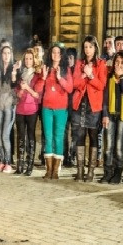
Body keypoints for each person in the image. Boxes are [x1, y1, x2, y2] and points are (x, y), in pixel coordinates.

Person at [70, 36, 107, 182]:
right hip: (80, 104)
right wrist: (84, 74)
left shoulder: (101, 64)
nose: (87, 50)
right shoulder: (79, 63)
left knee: (93, 136)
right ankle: (79, 171)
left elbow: (101, 85)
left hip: (93, 106)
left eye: (90, 47)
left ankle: (90, 171)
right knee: (79, 136)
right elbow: (74, 83)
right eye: (85, 47)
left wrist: (90, 75)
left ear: (95, 48)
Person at [41, 43, 74, 180]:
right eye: (53, 52)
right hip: (47, 108)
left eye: (58, 53)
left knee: (58, 137)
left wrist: (60, 78)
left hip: (61, 108)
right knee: (48, 137)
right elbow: (38, 88)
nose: (55, 55)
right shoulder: (46, 68)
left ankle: (55, 171)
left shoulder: (66, 70)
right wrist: (43, 77)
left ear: (61, 55)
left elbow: (70, 88)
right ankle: (48, 170)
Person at [100, 52, 123, 184]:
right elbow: (105, 98)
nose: (118, 65)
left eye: (121, 63)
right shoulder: (109, 77)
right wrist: (105, 114)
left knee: (119, 146)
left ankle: (118, 173)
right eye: (116, 62)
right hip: (111, 114)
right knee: (108, 146)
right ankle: (107, 172)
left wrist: (120, 79)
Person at [14, 49, 44, 176]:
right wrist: (19, 92)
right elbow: (16, 89)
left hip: (32, 109)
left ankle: (30, 165)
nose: (28, 61)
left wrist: (27, 88)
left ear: (34, 60)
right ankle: (20, 165)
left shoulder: (38, 75)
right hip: (20, 109)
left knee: (31, 136)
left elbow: (38, 94)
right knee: (20, 136)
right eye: (26, 58)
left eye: (30, 58)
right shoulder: (21, 73)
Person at [0, 45, 16, 172]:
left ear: (11, 55)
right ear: (1, 55)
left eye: (8, 53)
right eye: (4, 53)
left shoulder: (14, 68)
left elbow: (15, 85)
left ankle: (8, 162)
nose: (6, 56)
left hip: (9, 106)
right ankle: (1, 161)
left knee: (5, 134)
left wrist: (13, 75)